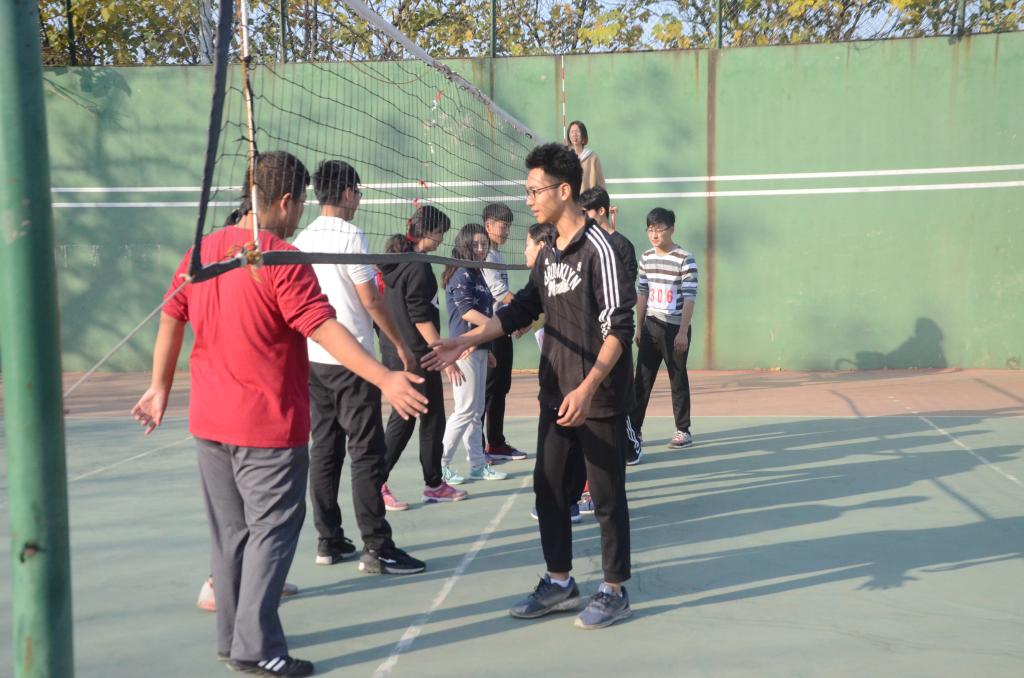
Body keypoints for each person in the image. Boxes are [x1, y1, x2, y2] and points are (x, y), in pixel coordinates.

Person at [131, 150, 428, 677]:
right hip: (265, 427)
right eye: (300, 203)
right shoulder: (280, 257)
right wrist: (384, 376)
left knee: (231, 536)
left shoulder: (202, 249)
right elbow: (324, 327)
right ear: (286, 200)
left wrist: (159, 387)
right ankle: (256, 648)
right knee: (270, 533)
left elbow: (172, 316)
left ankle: (233, 640)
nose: (300, 213)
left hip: (210, 424)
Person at [424, 143, 636, 630]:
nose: (529, 200)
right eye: (527, 191)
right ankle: (560, 582)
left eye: (535, 191)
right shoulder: (548, 253)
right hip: (557, 391)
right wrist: (465, 340)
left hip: (597, 396)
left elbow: (620, 328)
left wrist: (588, 388)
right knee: (549, 489)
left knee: (606, 498)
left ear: (564, 191)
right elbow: (523, 307)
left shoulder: (600, 250)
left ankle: (614, 588)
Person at [292, 160, 427, 576]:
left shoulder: (302, 237)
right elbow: (370, 300)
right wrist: (399, 344)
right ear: (348, 192)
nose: (359, 199)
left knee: (325, 447)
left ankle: (329, 540)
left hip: (315, 357)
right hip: (352, 361)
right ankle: (377, 547)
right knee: (366, 451)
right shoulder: (350, 235)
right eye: (358, 192)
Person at [379, 206, 469, 504]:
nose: (441, 238)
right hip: (417, 356)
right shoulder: (417, 267)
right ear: (427, 231)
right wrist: (443, 354)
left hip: (398, 352)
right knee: (407, 420)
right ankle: (377, 481)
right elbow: (419, 316)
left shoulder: (398, 263)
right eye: (440, 232)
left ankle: (433, 483)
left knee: (430, 418)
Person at [440, 223, 509, 483]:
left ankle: (478, 465)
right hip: (464, 349)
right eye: (476, 244)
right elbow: (467, 312)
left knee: (476, 409)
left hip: (479, 347)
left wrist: (487, 346)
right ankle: (440, 464)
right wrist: (497, 327)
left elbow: (483, 310)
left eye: (484, 244)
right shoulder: (461, 273)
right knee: (465, 409)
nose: (480, 248)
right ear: (464, 245)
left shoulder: (478, 273)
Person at [579, 186, 643, 465]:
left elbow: (625, 287)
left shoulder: (622, 245)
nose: (583, 217)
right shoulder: (584, 244)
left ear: (602, 211)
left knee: (616, 390)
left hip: (614, 330)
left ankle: (631, 444)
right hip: (589, 331)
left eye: (587, 212)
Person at [630, 207, 698, 452]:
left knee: (677, 379)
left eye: (659, 229)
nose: (654, 234)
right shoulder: (646, 257)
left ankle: (683, 430)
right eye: (650, 229)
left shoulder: (685, 258)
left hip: (675, 329)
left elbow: (689, 297)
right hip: (651, 326)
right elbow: (642, 293)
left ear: (672, 230)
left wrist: (682, 331)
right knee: (641, 380)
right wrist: (639, 327)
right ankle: (634, 431)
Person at [480, 202, 529, 462]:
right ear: (488, 225)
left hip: (503, 329)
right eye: (503, 226)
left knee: (500, 388)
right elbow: (500, 293)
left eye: (509, 226)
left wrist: (516, 320)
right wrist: (523, 314)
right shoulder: (486, 255)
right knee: (487, 390)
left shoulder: (497, 255)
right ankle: (478, 448)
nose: (507, 231)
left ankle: (496, 443)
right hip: (489, 331)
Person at [566, 120, 605, 192]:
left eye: (577, 132)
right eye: (572, 132)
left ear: (583, 135)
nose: (574, 135)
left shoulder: (592, 158)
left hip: (587, 198)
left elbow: (600, 183)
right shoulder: (565, 157)